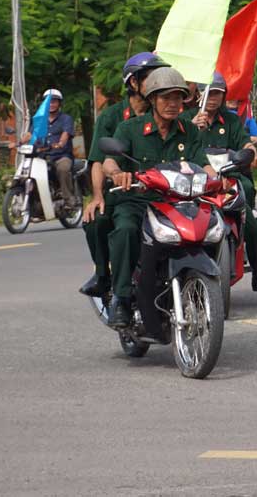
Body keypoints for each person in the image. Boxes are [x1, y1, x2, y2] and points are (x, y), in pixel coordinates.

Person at [102, 67, 217, 328]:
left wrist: (220, 180)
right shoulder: (129, 129)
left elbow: (204, 164)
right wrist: (119, 173)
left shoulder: (189, 130)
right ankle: (120, 297)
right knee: (126, 230)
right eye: (166, 98)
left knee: (210, 225)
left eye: (178, 98)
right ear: (152, 99)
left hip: (177, 203)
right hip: (138, 202)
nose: (173, 104)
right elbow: (109, 162)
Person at [182, 72, 257, 293]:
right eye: (209, 93)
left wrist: (252, 152)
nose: (213, 98)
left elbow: (245, 144)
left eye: (217, 93)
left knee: (253, 226)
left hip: (228, 179)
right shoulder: (185, 120)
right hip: (193, 183)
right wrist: (190, 127)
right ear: (199, 94)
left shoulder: (232, 120)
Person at [80, 52, 167, 298]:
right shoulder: (111, 116)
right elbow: (98, 160)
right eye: (152, 78)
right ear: (133, 83)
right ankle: (104, 276)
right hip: (123, 191)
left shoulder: (165, 112)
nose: (159, 84)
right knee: (97, 220)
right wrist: (98, 196)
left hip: (163, 191)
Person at [34, 88, 79, 212]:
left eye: (54, 101)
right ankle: (37, 204)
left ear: (59, 103)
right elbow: (30, 134)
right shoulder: (39, 121)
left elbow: (66, 134)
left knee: (63, 168)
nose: (51, 104)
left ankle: (69, 200)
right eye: (48, 102)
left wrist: (60, 143)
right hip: (42, 156)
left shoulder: (66, 119)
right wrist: (19, 142)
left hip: (61, 155)